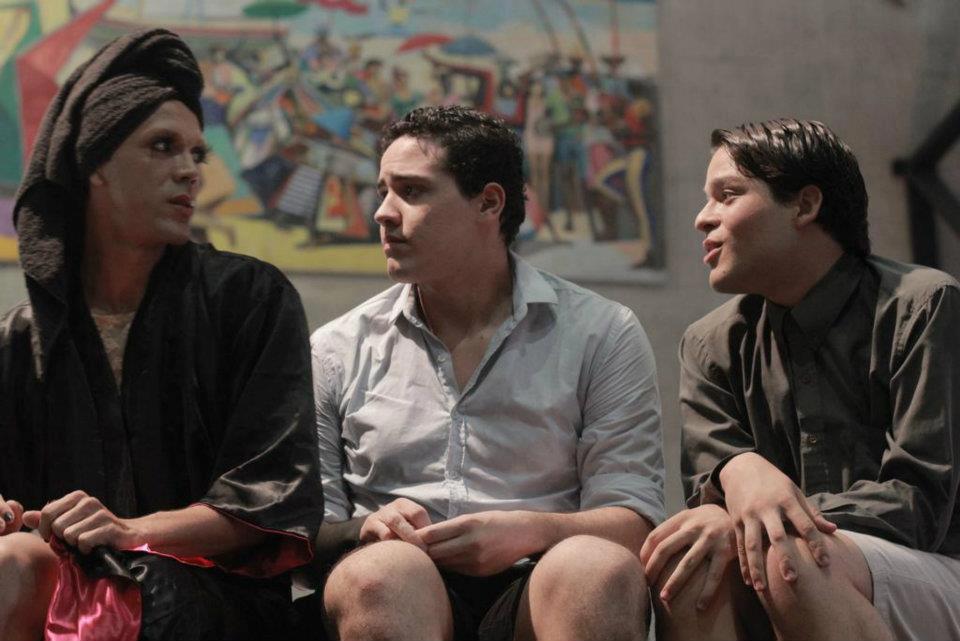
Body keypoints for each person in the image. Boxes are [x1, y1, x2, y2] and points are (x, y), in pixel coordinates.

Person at [0, 29, 322, 641]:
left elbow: (272, 499)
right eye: (162, 146)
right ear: (94, 163)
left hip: (214, 596)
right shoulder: (18, 340)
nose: (190, 171)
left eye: (197, 153)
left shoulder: (251, 299)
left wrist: (130, 531)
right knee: (12, 561)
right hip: (45, 580)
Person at [310, 105, 664, 641]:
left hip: (541, 582)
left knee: (596, 567)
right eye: (382, 191)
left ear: (489, 202)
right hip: (397, 583)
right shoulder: (336, 348)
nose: (382, 212)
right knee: (381, 573)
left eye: (411, 191)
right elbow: (308, 530)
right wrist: (365, 528)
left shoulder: (602, 332)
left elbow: (632, 520)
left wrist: (529, 530)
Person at [641, 119, 960, 641]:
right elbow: (708, 503)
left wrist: (775, 511)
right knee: (692, 563)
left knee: (792, 555)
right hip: (801, 562)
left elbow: (921, 503)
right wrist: (740, 476)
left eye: (727, 195)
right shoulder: (709, 343)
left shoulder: (921, 304)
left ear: (805, 205)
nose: (702, 218)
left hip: (937, 565)